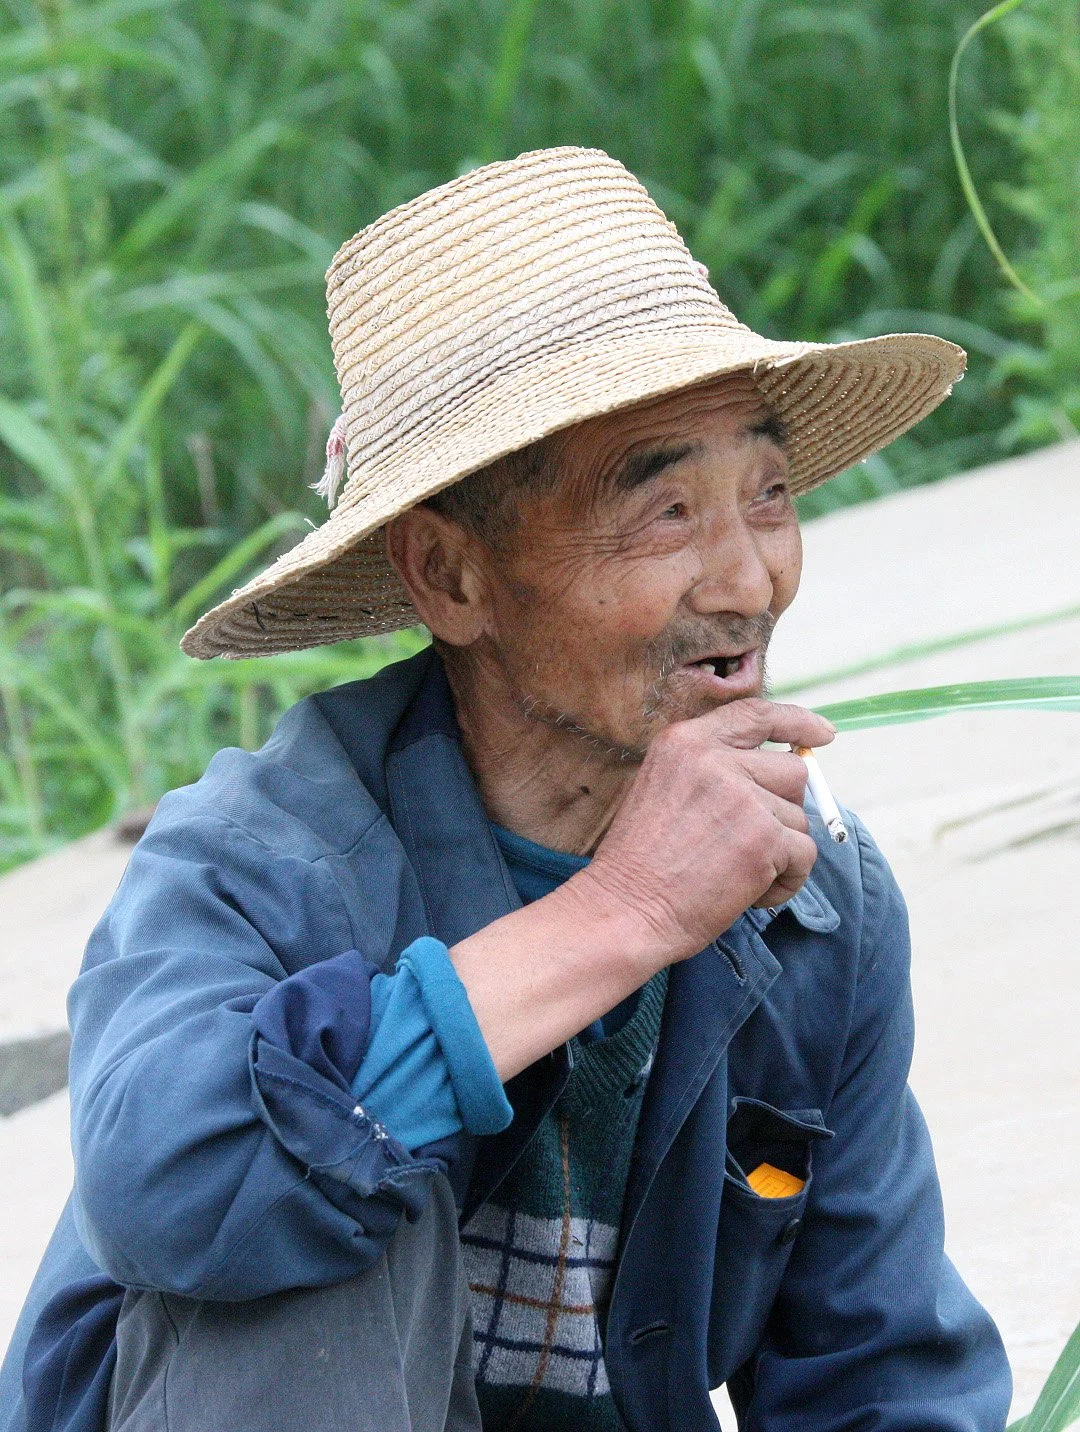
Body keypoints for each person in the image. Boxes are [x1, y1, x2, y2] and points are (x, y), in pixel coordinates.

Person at [1, 146, 1011, 1432]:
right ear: (451, 576)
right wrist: (624, 910)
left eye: (767, 497)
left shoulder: (816, 901)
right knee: (312, 1180)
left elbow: (880, 1371)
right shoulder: (257, 864)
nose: (749, 580)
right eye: (665, 513)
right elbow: (180, 1190)